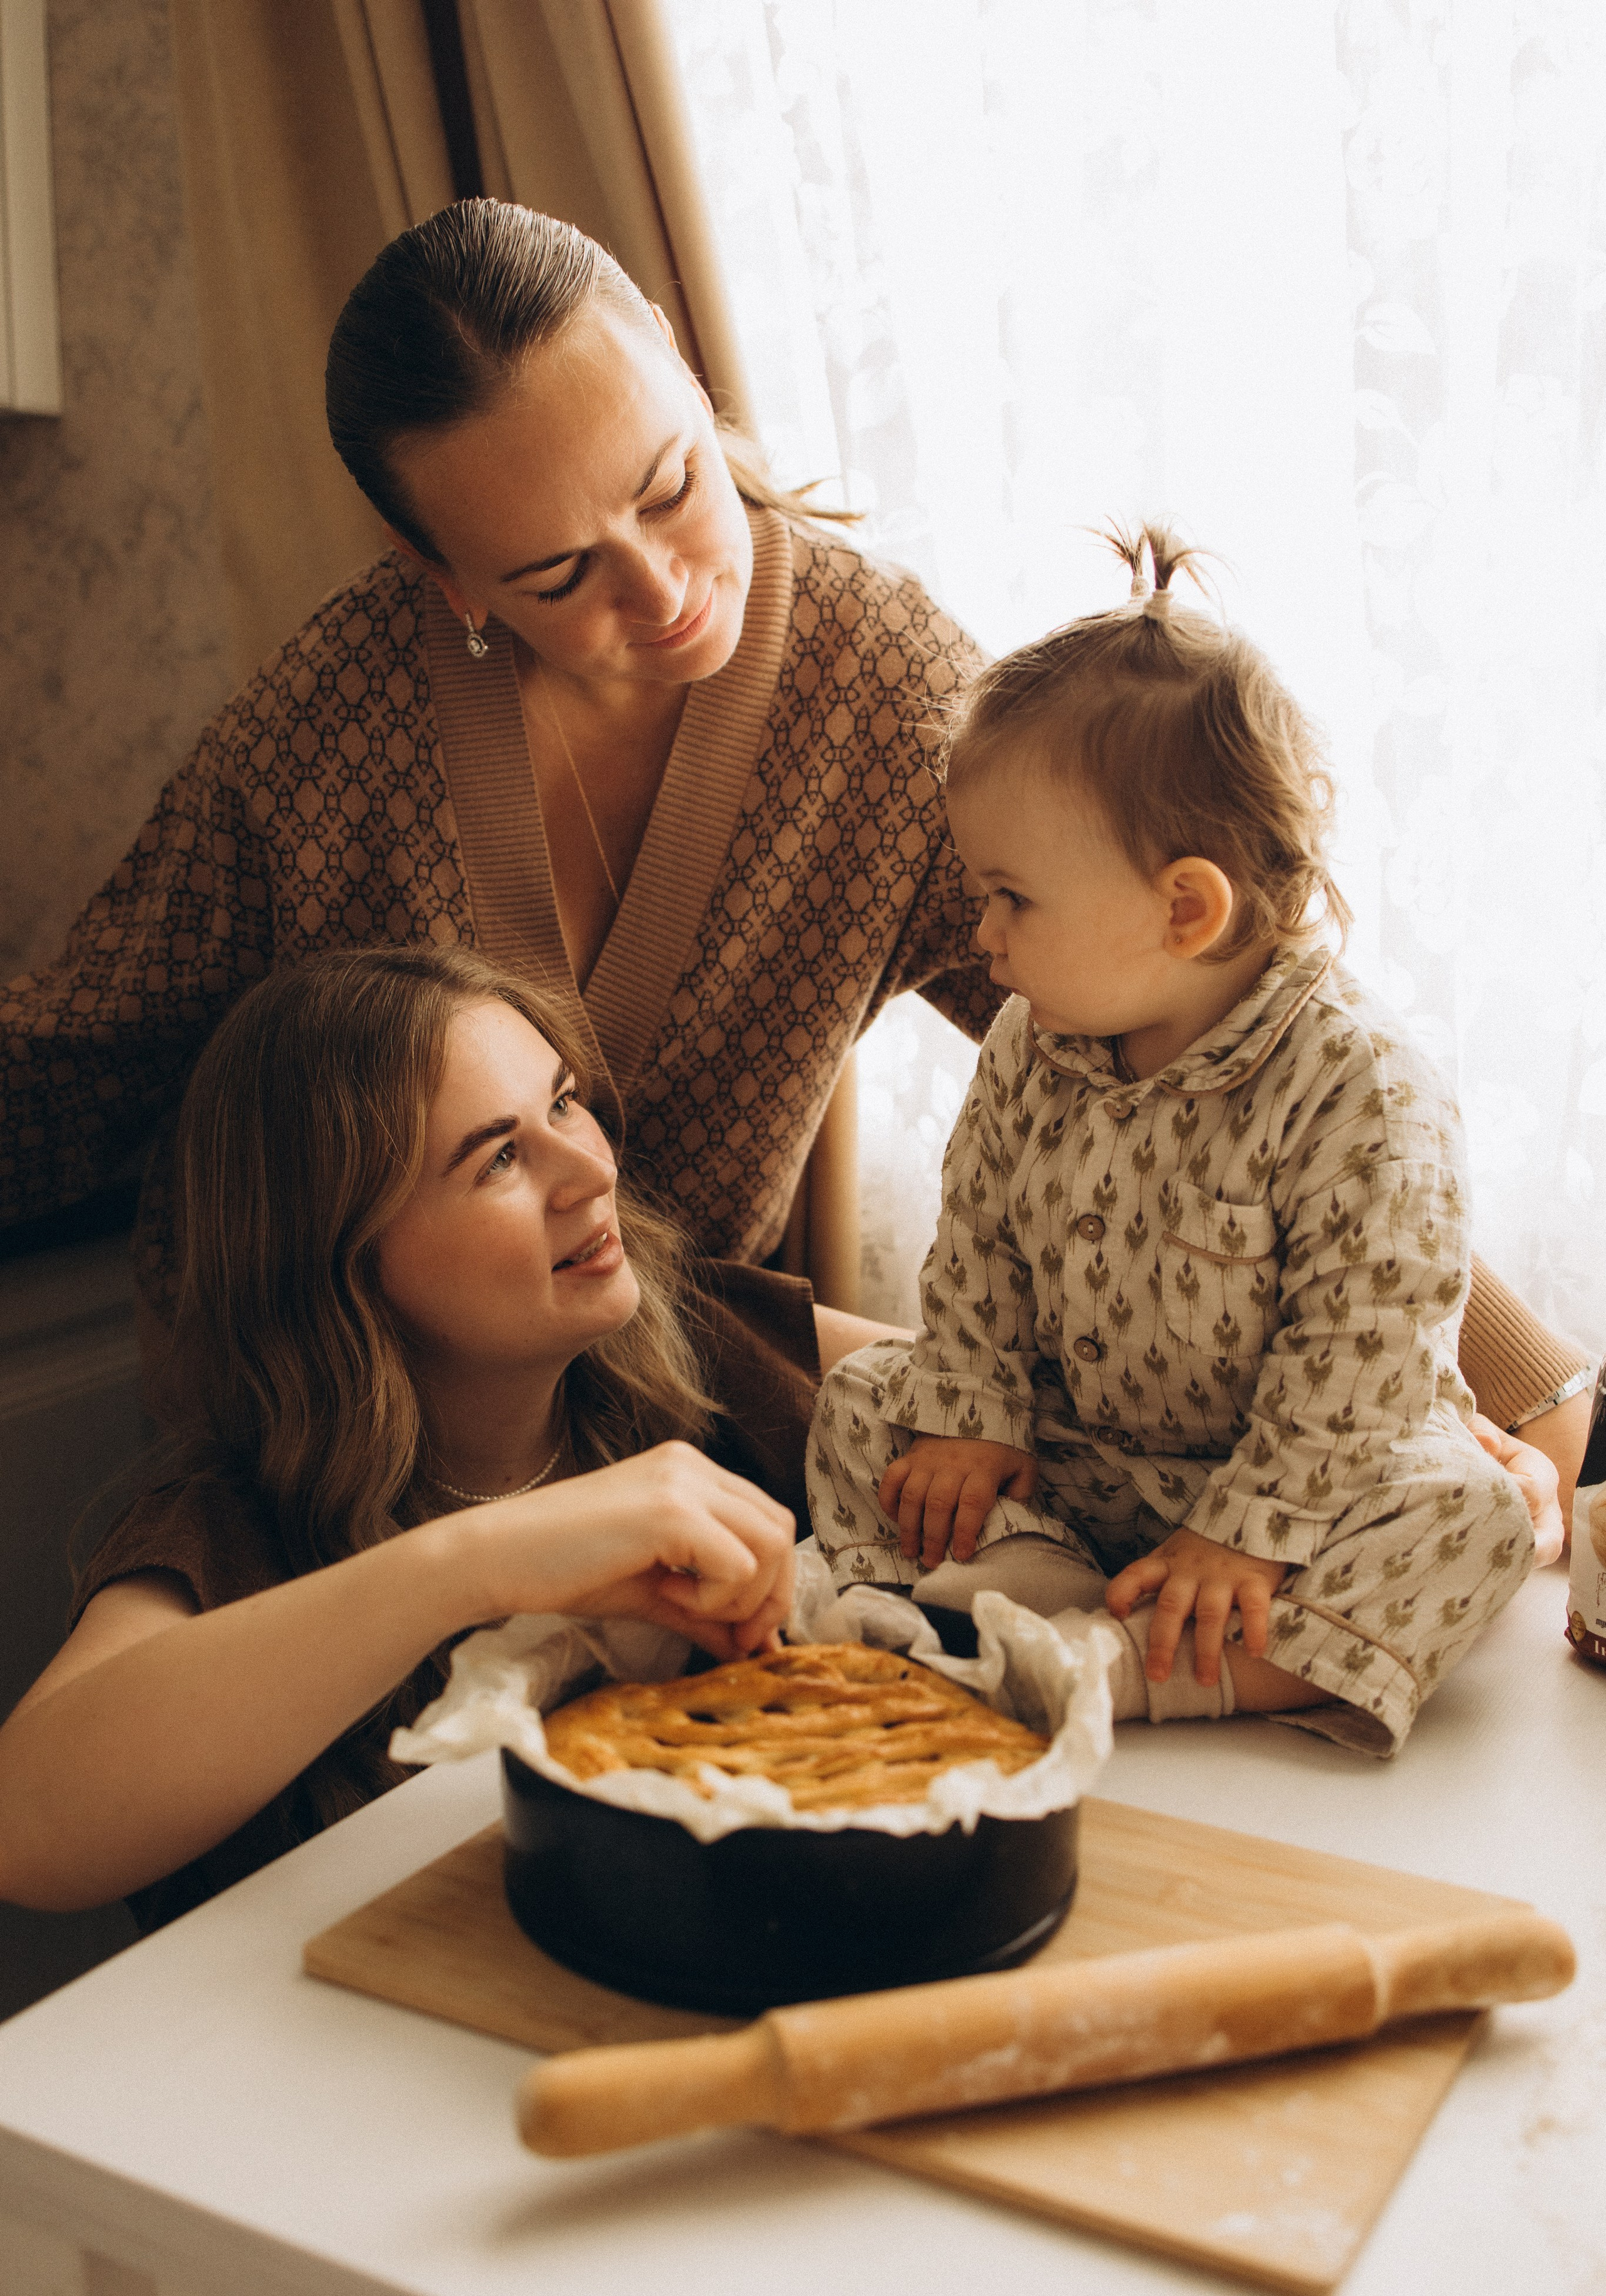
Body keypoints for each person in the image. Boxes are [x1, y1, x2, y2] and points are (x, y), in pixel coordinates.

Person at [0, 202, 1588, 1516]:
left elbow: (1225, 1023)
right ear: (446, 580)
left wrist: (1545, 1383)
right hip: (334, 1446)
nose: (668, 588)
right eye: (561, 571)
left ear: (692, 383)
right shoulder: (328, 729)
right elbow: (77, 1057)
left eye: (671, 483)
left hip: (671, 1414)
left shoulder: (878, 688)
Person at [807, 528, 1552, 1758]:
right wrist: (975, 1415)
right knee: (863, 1400)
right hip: (1089, 1464)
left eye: (1010, 898)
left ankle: (1149, 1672)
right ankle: (1021, 1580)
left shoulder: (1354, 1082)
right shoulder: (1026, 1041)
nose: (978, 932)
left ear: (1183, 907)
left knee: (1466, 1520)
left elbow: (1360, 1350)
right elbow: (977, 1247)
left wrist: (1247, 1529)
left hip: (1302, 1477)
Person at [0, 949, 795, 1929]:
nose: (593, 1169)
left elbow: (1005, 1397)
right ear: (348, 1265)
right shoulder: (230, 1531)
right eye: (498, 1157)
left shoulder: (707, 1344)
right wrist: (479, 1563)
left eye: (565, 1102)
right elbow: (27, 1831)